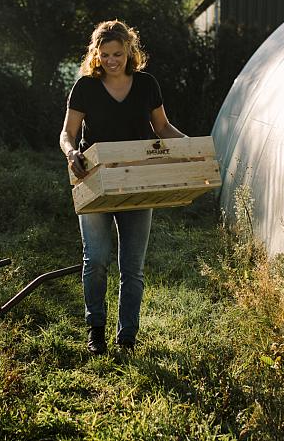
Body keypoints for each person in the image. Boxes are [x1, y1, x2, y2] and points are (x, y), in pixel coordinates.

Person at [59, 19, 187, 354]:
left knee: (132, 267)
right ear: (96, 54)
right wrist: (71, 152)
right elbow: (67, 133)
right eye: (105, 54)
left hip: (137, 180)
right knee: (96, 259)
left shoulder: (146, 85)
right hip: (95, 178)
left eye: (118, 53)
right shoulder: (85, 86)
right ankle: (96, 331)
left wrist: (191, 146)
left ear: (129, 51)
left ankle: (127, 338)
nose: (112, 60)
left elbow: (162, 127)